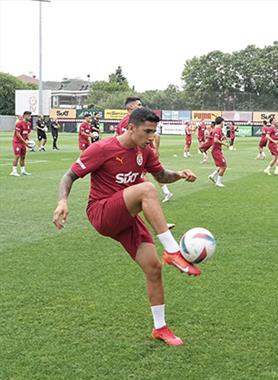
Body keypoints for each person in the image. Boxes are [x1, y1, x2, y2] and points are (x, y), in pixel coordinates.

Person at [52, 107, 199, 347]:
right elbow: (69, 176)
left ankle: (160, 328)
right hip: (102, 212)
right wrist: (62, 201)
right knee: (146, 189)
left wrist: (180, 174)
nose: (152, 136)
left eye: (154, 131)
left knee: (153, 268)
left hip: (126, 216)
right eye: (147, 131)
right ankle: (173, 251)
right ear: (131, 128)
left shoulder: (146, 151)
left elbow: (161, 175)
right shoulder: (102, 149)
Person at [153, 121, 173, 203]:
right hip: (146, 153)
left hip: (147, 154)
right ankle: (166, 192)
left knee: (141, 175)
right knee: (155, 174)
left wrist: (156, 150)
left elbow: (157, 136)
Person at [10, 111, 33, 176]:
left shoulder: (29, 124)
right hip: (17, 142)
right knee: (17, 156)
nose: (30, 117)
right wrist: (25, 142)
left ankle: (23, 171)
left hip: (23, 143)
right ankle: (14, 171)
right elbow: (17, 134)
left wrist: (29, 141)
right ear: (25, 116)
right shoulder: (19, 123)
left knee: (23, 157)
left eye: (30, 116)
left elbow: (27, 134)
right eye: (28, 116)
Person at [208, 116, 229, 187]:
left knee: (220, 166)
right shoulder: (217, 130)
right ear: (221, 122)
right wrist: (224, 144)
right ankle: (218, 182)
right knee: (224, 166)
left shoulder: (217, 130)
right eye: (223, 122)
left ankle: (212, 175)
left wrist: (223, 138)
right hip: (216, 151)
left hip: (216, 150)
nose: (224, 124)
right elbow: (215, 140)